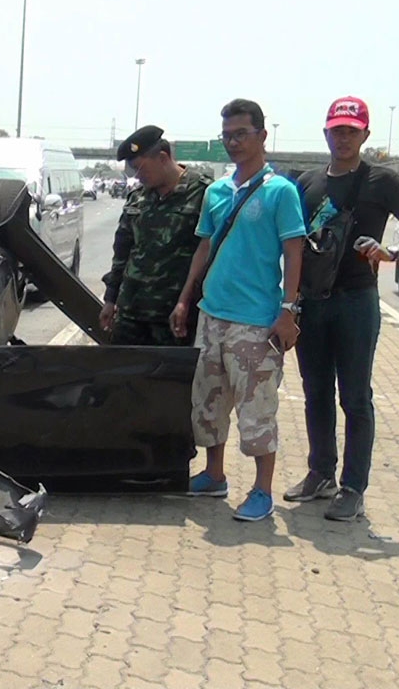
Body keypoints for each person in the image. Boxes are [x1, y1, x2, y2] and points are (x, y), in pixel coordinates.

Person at [285, 97, 399, 520]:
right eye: (337, 129)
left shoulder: (381, 181)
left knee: (355, 397)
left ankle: (353, 487)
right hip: (313, 302)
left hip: (356, 301)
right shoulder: (307, 183)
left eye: (352, 130)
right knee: (315, 392)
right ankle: (321, 473)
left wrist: (393, 252)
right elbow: (293, 245)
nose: (344, 137)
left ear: (365, 135)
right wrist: (289, 302)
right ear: (326, 133)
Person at [169, 99, 306, 521]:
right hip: (213, 316)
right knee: (209, 401)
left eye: (241, 134)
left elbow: (294, 250)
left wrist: (288, 310)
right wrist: (185, 298)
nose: (233, 142)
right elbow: (205, 246)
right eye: (227, 135)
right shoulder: (217, 191)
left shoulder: (280, 191)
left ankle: (262, 491)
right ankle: (214, 475)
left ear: (262, 136)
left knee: (256, 408)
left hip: (255, 321)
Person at [101, 125, 213, 345]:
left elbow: (209, 253)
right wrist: (110, 299)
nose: (137, 176)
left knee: (172, 378)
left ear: (162, 158)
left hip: (176, 316)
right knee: (124, 376)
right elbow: (122, 251)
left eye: (139, 168)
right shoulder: (137, 198)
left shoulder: (203, 194)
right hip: (131, 313)